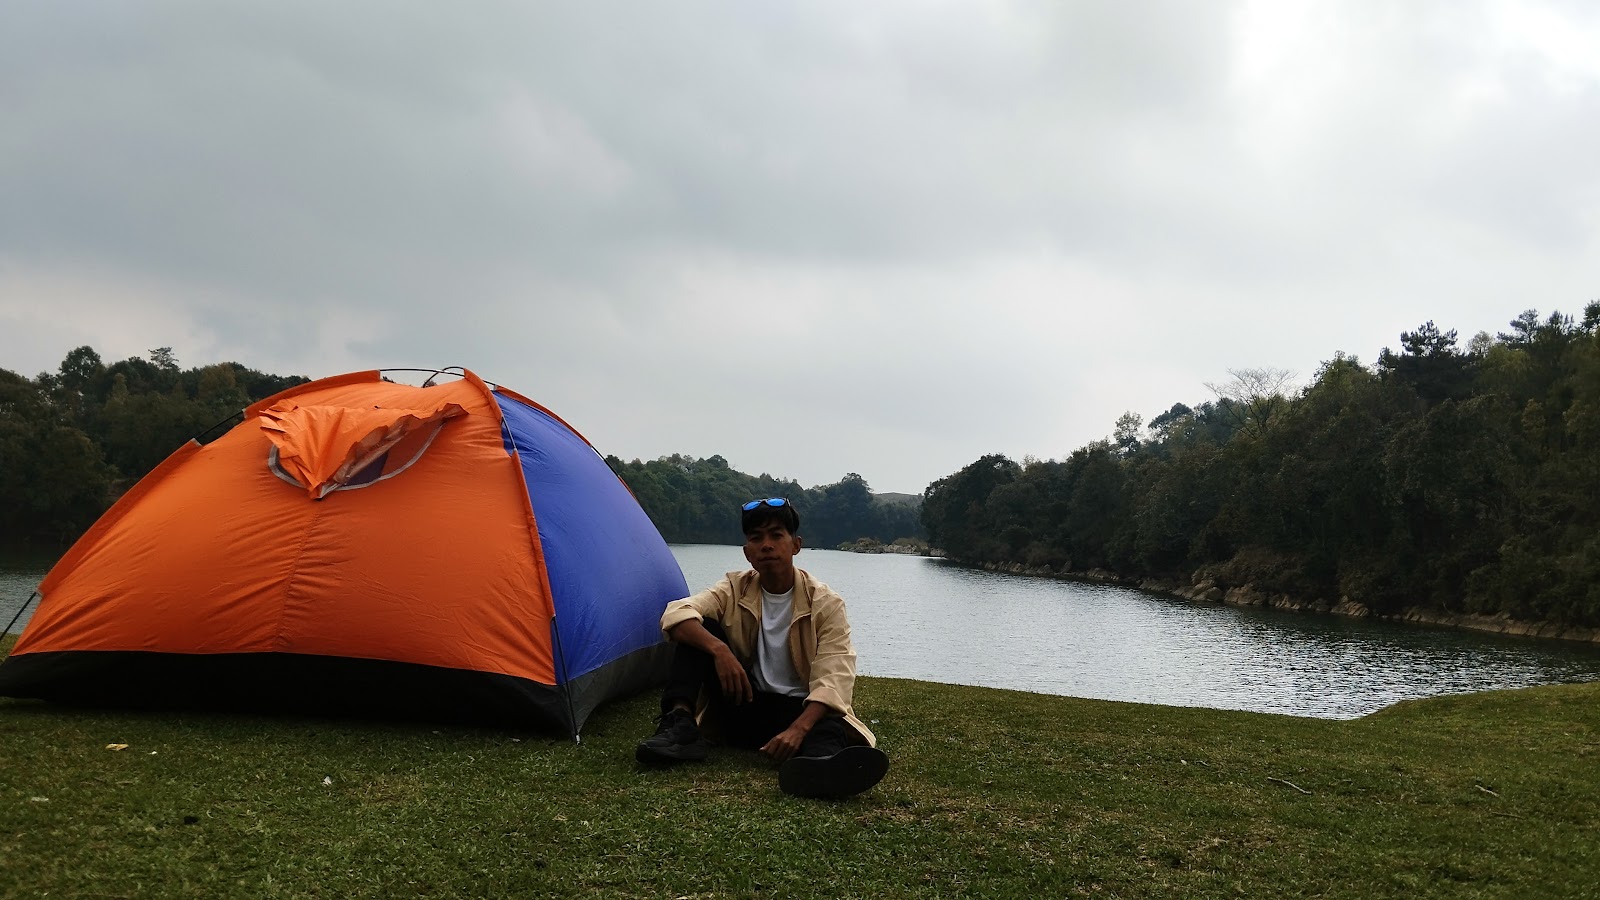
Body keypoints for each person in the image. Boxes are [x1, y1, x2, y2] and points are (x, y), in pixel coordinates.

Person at [635, 497, 889, 799]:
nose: (766, 545)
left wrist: (798, 729)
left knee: (828, 724)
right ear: (747, 552)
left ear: (795, 545)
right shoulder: (733, 587)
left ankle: (820, 766)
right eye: (756, 538)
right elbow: (676, 614)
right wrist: (720, 650)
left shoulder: (826, 603)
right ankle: (680, 727)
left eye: (776, 536)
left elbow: (835, 678)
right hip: (745, 703)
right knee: (699, 627)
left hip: (800, 713)